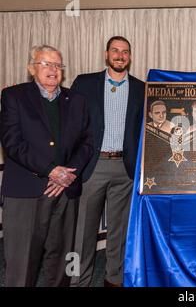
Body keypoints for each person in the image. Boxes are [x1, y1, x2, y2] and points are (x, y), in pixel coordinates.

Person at [0, 45, 93, 286]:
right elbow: (12, 143)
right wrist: (51, 170)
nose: (53, 70)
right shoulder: (13, 96)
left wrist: (69, 175)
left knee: (61, 263)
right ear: (32, 68)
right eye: (46, 64)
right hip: (27, 193)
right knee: (22, 265)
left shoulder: (78, 100)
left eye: (57, 65)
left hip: (66, 192)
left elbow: (87, 142)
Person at [70, 36, 145, 287]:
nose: (120, 56)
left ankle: (114, 280)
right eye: (115, 51)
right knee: (83, 231)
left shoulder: (141, 88)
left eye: (125, 52)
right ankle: (79, 281)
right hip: (92, 166)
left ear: (130, 57)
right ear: (106, 54)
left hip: (125, 168)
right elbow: (71, 124)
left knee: (119, 231)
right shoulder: (84, 83)